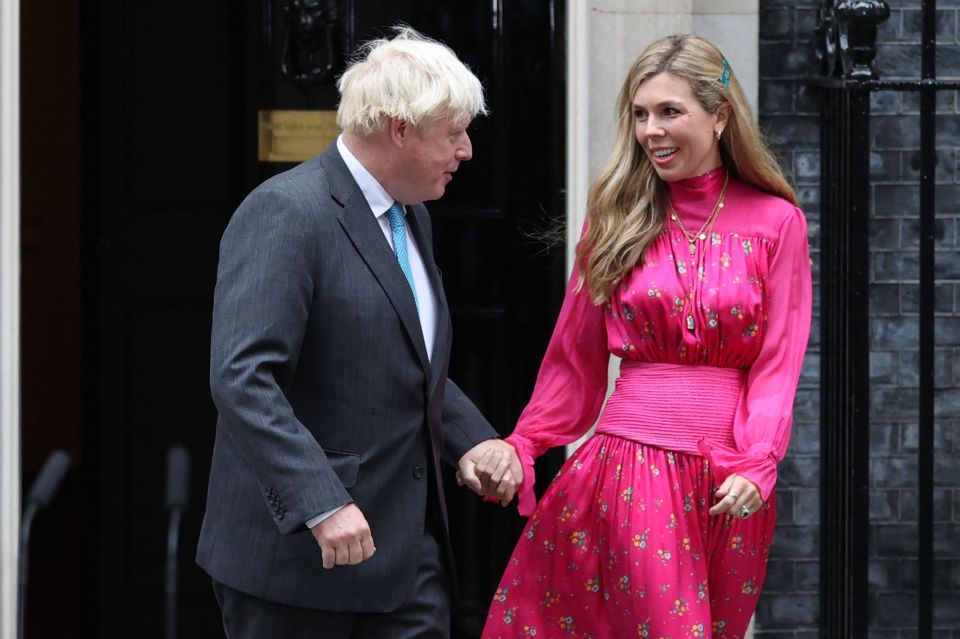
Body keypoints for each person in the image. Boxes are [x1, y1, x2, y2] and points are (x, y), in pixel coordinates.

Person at [480, 34, 812, 638]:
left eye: (669, 111)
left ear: (719, 116)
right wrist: (527, 441)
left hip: (731, 484)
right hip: (633, 471)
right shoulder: (615, 217)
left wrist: (759, 461)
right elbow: (573, 357)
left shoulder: (777, 222)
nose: (650, 130)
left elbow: (778, 361)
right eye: (639, 114)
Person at [196, 26, 520, 639]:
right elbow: (243, 378)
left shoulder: (412, 214)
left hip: (406, 556)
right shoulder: (287, 212)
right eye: (453, 133)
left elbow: (405, 356)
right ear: (401, 129)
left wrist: (470, 439)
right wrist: (320, 501)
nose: (467, 150)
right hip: (296, 562)